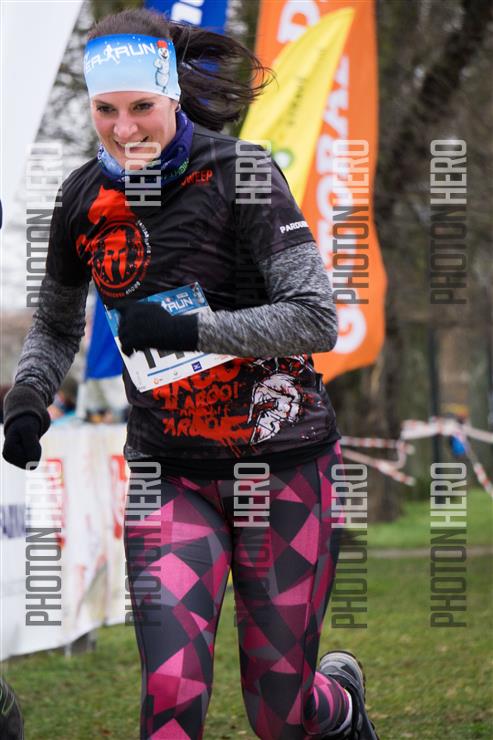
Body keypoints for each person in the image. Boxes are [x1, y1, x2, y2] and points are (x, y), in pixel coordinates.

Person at [2, 9, 378, 740]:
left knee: (282, 714)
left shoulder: (242, 174)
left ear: (172, 94)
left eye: (141, 106)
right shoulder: (81, 200)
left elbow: (314, 319)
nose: (124, 129)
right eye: (105, 110)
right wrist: (28, 397)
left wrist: (191, 329)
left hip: (284, 467)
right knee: (171, 692)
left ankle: (339, 707)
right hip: (168, 473)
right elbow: (54, 325)